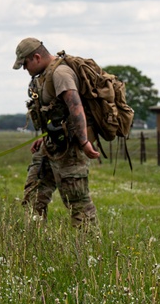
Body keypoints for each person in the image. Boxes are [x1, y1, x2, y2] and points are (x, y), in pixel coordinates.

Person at [14, 37, 100, 230]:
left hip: (70, 147)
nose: (24, 69)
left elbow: (75, 105)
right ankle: (32, 244)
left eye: (25, 64)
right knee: (34, 194)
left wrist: (84, 141)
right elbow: (56, 112)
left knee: (77, 201)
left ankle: (89, 248)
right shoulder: (44, 76)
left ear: (36, 57)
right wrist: (45, 137)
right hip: (52, 144)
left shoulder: (60, 73)